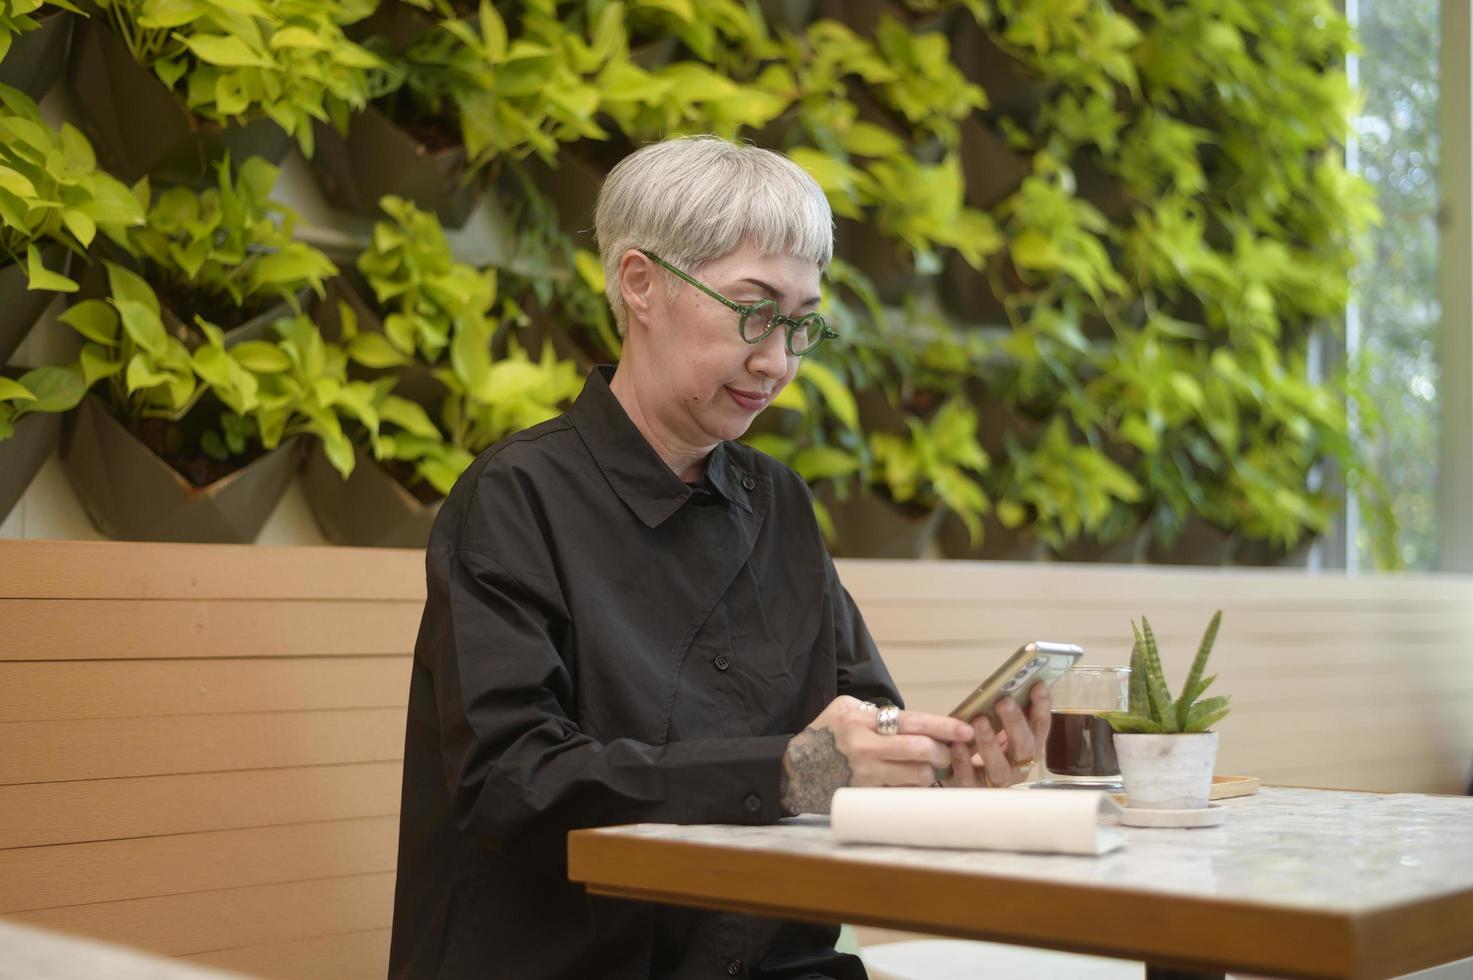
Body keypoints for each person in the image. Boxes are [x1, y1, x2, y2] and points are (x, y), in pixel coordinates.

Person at [387, 135, 1052, 980]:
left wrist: (946, 762)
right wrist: (789, 769)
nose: (776, 360)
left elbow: (856, 725)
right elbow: (512, 780)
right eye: (752, 309)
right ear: (640, 284)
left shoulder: (778, 503)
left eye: (800, 322)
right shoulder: (517, 497)